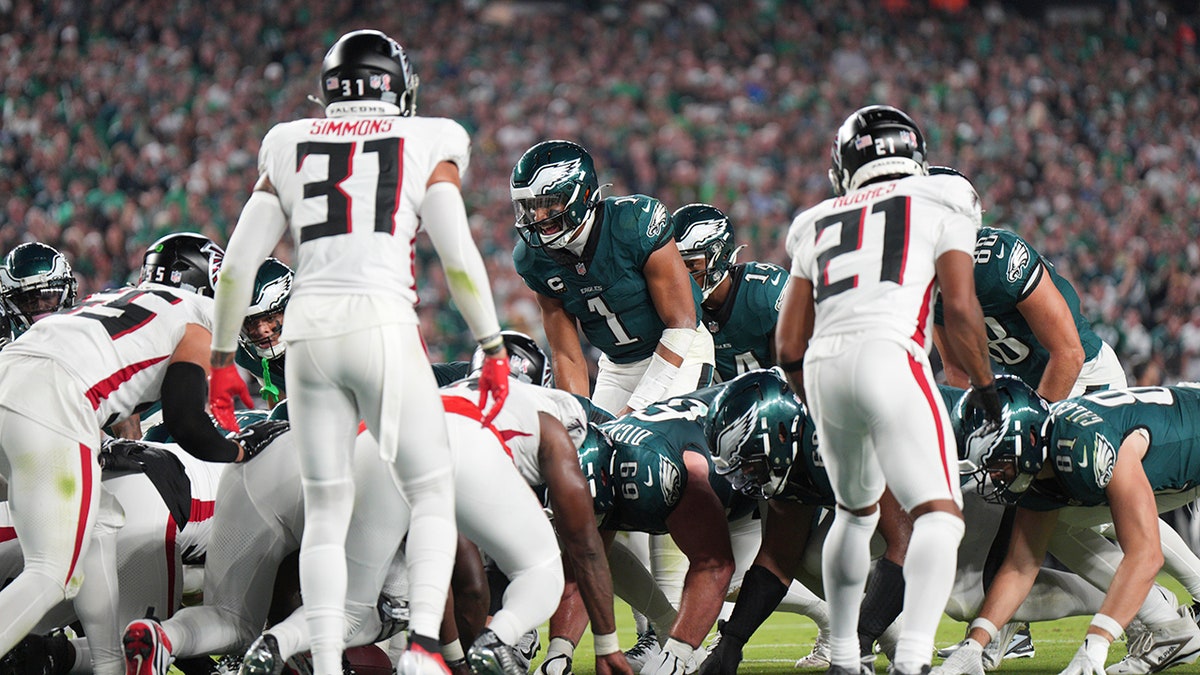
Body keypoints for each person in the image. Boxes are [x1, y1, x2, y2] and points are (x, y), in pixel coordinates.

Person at [205, 29, 511, 675]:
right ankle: (424, 646)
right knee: (429, 490)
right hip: (381, 321)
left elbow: (236, 267)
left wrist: (221, 358)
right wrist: (491, 343)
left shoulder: (287, 141)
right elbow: (457, 257)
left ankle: (322, 660)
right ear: (397, 85)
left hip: (308, 332)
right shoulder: (432, 135)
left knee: (325, 507)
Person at [776, 104, 1002, 675]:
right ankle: (913, 660)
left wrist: (818, 398)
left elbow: (787, 343)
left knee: (854, 514)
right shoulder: (943, 198)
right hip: (891, 351)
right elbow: (961, 303)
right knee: (942, 517)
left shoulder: (814, 219)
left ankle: (846, 659)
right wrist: (984, 384)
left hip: (824, 365)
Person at [0, 232, 275, 674]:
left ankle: (109, 665)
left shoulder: (121, 294)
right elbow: (187, 422)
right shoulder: (196, 315)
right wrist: (239, 449)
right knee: (51, 572)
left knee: (100, 524)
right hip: (54, 400)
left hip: (14, 378)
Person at [510, 139, 716, 665]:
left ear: (580, 194)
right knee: (588, 499)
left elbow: (681, 322)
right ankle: (663, 624)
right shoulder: (533, 256)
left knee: (649, 475)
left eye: (548, 203)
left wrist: (635, 412)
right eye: (530, 206)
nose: (538, 217)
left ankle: (664, 631)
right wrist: (574, 423)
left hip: (678, 350)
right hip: (619, 365)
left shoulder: (635, 222)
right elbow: (567, 354)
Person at [939, 379, 1200, 675]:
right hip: (1176, 456)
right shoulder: (1044, 459)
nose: (995, 476)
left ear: (1028, 440)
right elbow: (1021, 566)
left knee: (1071, 524)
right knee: (1057, 526)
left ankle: (1169, 621)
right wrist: (975, 643)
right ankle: (1167, 623)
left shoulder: (1086, 445)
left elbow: (1146, 556)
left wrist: (1096, 645)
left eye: (1000, 464)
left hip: (1189, 440)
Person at [672, 204, 788, 383]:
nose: (682, 276)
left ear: (722, 256)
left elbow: (792, 376)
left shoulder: (764, 292)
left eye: (692, 265)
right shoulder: (673, 305)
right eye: (677, 265)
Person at [234, 258, 293, 408]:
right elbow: (281, 409)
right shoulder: (248, 356)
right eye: (251, 322)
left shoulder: (322, 338)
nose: (261, 330)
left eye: (270, 318)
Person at [0, 242, 79, 342]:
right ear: (10, 304)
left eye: (48, 296)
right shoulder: (9, 343)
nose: (40, 306)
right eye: (28, 300)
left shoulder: (85, 332)